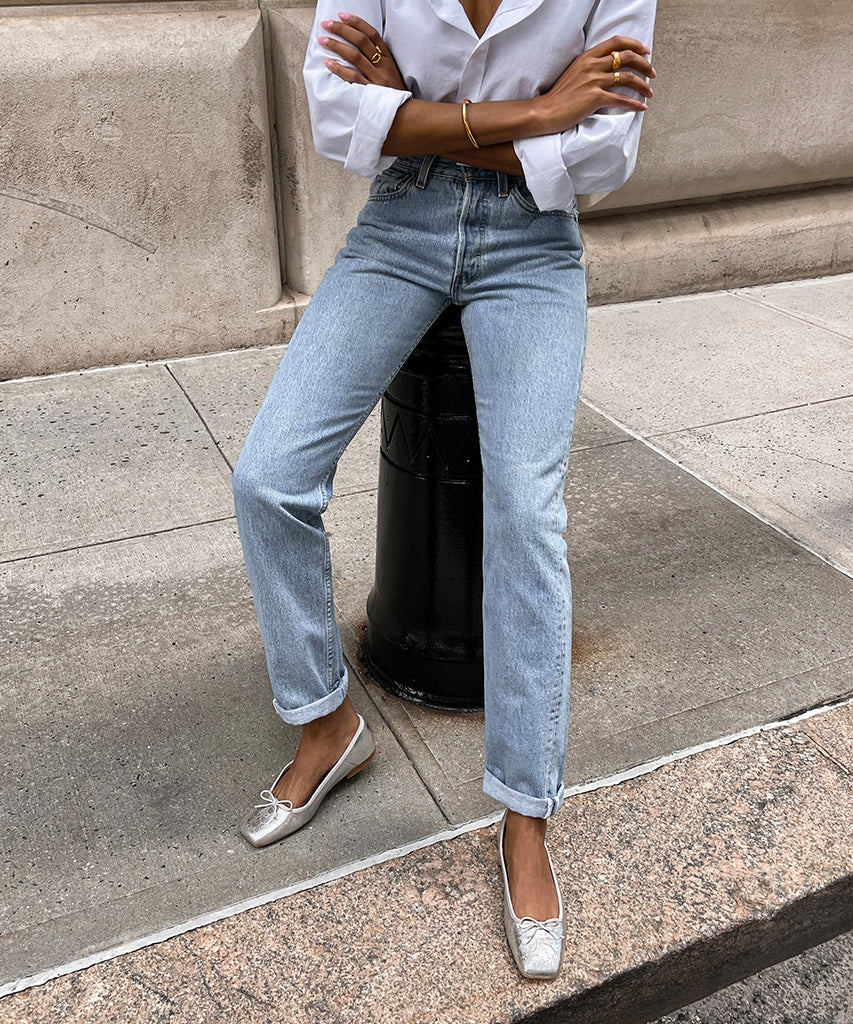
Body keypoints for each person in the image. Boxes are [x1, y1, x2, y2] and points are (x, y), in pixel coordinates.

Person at [233, 0, 657, 980]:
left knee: (525, 512)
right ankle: (327, 723)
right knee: (269, 477)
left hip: (532, 246)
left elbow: (603, 153)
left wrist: (415, 115)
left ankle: (524, 817)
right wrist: (538, 111)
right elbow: (336, 114)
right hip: (401, 224)